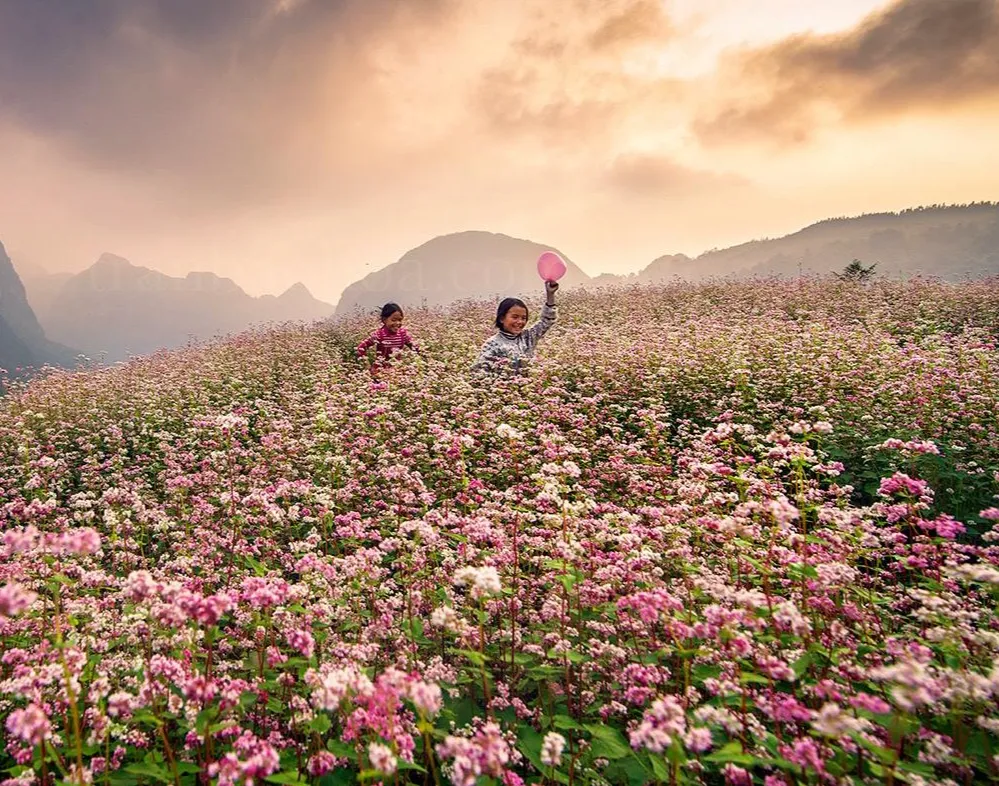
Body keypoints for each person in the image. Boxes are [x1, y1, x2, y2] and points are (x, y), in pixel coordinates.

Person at [471, 281, 558, 375]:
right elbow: (479, 372)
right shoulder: (492, 344)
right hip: (504, 388)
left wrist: (550, 295)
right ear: (501, 318)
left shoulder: (528, 337)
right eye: (515, 317)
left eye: (523, 318)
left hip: (529, 387)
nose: (520, 322)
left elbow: (547, 320)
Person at [356, 303, 417, 371]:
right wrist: (366, 364)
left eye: (399, 320)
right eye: (393, 320)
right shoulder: (379, 334)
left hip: (397, 370)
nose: (397, 323)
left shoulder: (403, 334)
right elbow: (361, 348)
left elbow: (416, 347)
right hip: (380, 371)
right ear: (384, 320)